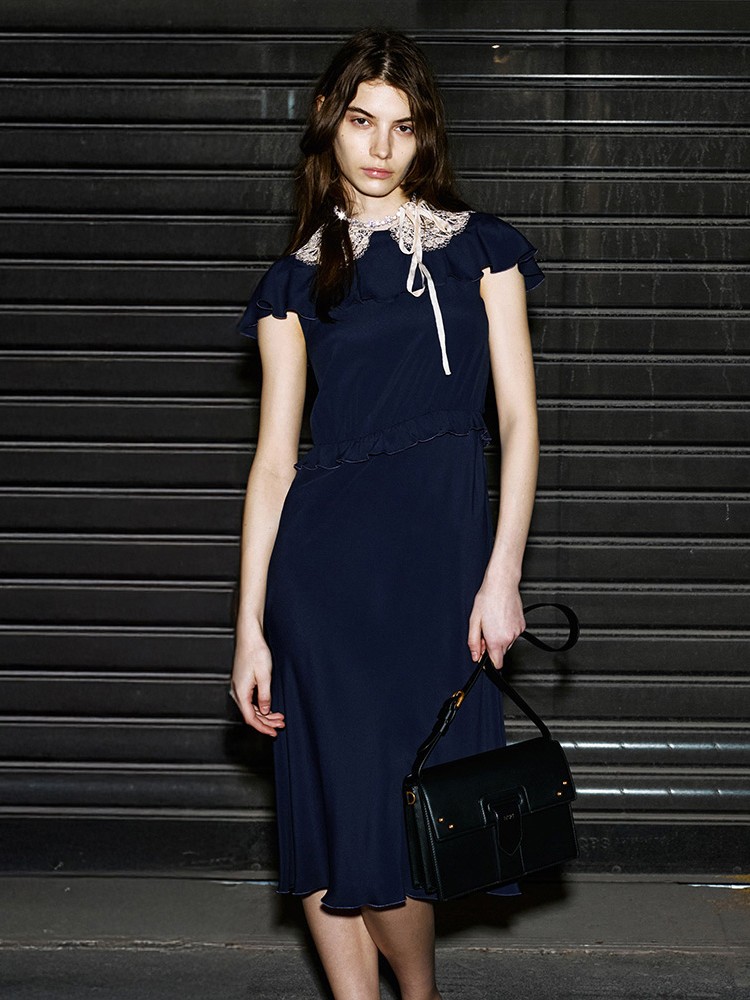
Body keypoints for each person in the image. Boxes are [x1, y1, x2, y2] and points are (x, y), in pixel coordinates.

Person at [230, 28, 543, 1000]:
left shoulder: (482, 250)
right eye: (363, 121)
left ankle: (420, 990)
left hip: (437, 574)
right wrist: (249, 628)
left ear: (424, 136)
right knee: (340, 813)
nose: (380, 145)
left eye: (402, 127)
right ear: (329, 124)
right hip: (322, 585)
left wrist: (503, 571)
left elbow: (520, 422)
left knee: (406, 816)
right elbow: (274, 464)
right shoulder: (295, 281)